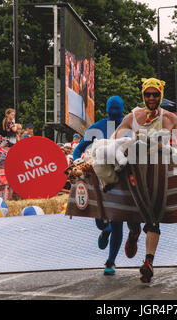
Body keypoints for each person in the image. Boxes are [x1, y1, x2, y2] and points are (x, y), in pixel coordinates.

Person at [112, 78, 177, 283]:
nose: (151, 98)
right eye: (148, 94)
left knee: (154, 217)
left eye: (155, 94)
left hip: (159, 175)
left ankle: (148, 262)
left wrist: (162, 147)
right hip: (133, 174)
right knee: (134, 215)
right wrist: (131, 139)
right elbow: (116, 140)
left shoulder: (170, 119)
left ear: (161, 95)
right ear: (143, 95)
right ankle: (133, 232)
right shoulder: (133, 116)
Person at [73, 96, 125, 276]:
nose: (115, 113)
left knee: (118, 221)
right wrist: (78, 162)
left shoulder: (129, 126)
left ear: (123, 109)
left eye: (118, 110)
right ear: (107, 109)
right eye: (112, 109)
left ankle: (110, 262)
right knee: (99, 218)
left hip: (121, 180)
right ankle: (105, 230)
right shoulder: (97, 127)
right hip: (98, 178)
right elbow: (78, 149)